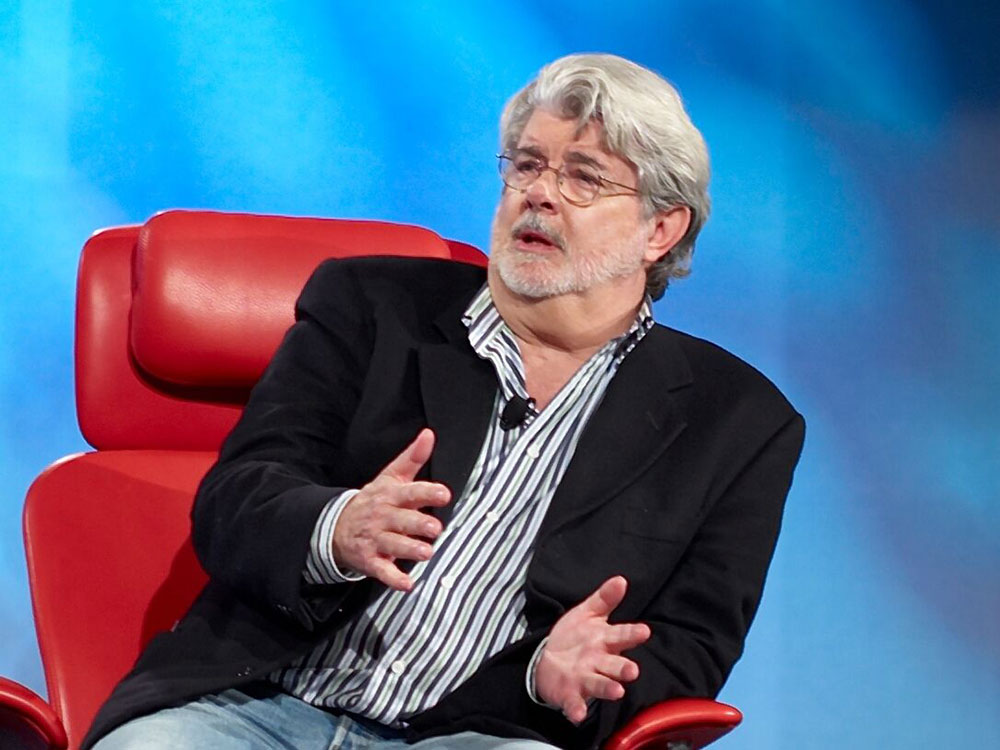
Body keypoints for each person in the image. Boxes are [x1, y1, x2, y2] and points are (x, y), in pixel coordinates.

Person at [86, 53, 804, 750]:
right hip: (253, 708)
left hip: (487, 733)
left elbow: (693, 647)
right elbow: (233, 501)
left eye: (583, 177)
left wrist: (552, 676)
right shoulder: (370, 308)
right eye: (526, 164)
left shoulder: (736, 423)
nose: (539, 193)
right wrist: (336, 530)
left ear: (661, 229)